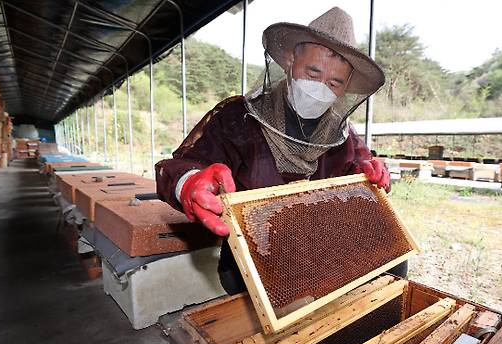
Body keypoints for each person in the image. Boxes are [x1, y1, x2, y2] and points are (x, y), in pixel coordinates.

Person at [156, 7, 405, 294]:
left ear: (345, 88)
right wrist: (189, 182)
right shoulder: (237, 118)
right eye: (313, 71)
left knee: (395, 266)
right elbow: (181, 166)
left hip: (317, 257)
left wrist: (370, 173)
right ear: (289, 60)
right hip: (250, 260)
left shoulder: (343, 135)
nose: (320, 88)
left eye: (334, 82)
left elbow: (361, 163)